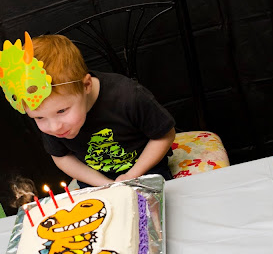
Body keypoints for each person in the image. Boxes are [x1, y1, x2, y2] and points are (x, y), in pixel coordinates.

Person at [25, 34, 176, 188]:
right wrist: (105, 184)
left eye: (62, 111)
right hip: (94, 180)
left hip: (145, 169)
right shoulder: (51, 119)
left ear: (86, 85)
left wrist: (132, 175)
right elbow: (61, 156)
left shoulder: (128, 96)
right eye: (39, 118)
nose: (55, 127)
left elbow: (165, 134)